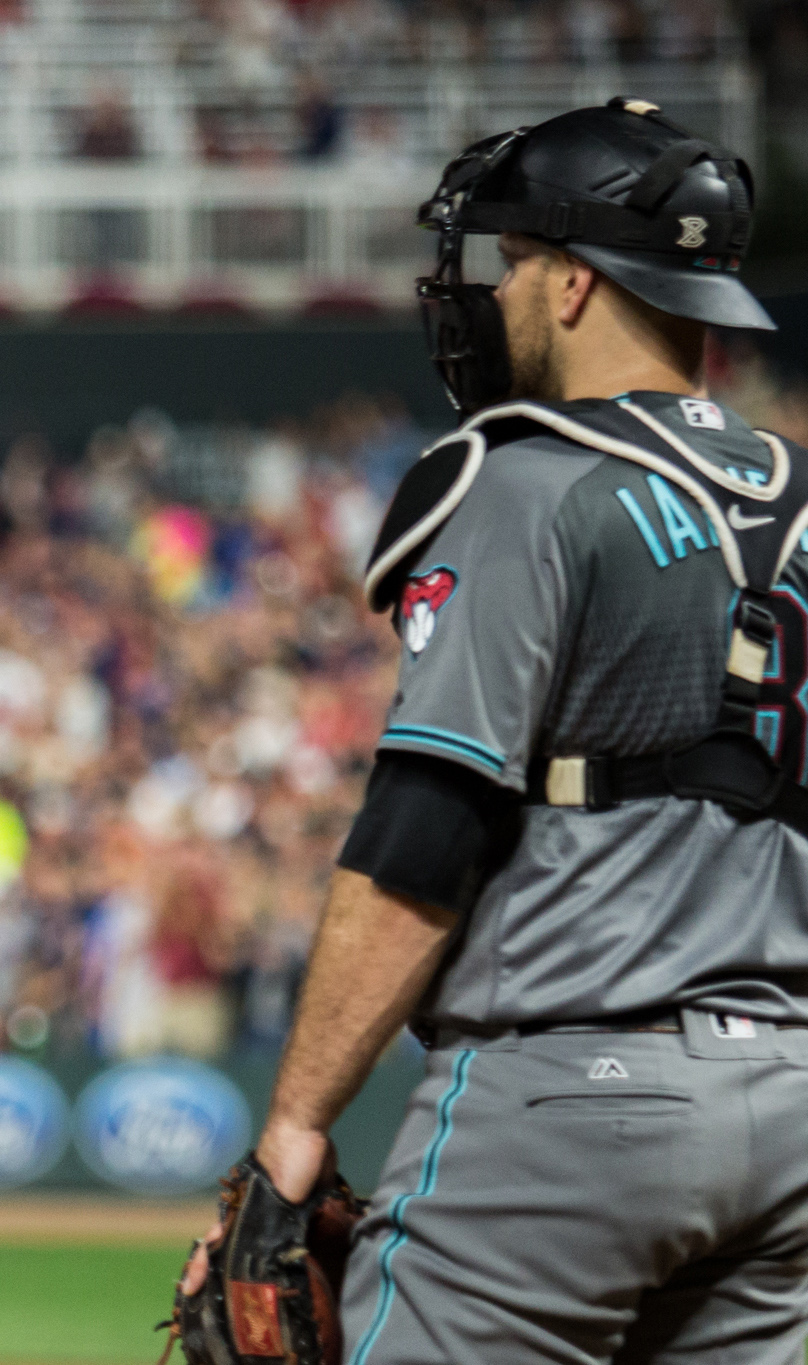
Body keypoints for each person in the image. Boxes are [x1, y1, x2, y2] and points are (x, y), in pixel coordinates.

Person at [182, 98, 808, 1363]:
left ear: (573, 285)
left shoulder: (525, 481)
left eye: (515, 264)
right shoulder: (801, 497)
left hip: (569, 1107)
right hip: (790, 1112)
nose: (499, 293)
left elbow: (422, 834)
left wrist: (294, 1134)